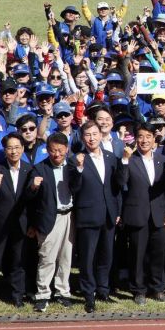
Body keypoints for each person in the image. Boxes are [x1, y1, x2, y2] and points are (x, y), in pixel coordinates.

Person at [68, 121, 129, 313]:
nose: (92, 138)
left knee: (106, 255)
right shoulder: (76, 159)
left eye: (95, 134)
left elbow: (118, 186)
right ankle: (88, 294)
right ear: (82, 137)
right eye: (88, 135)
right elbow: (74, 188)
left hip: (109, 214)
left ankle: (103, 290)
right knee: (87, 258)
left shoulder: (111, 157)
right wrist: (78, 168)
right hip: (88, 214)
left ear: (101, 135)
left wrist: (118, 211)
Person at [0, 133, 35, 309]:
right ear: (5, 150)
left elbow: (31, 198)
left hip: (21, 222)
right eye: (10, 148)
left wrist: (34, 188)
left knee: (19, 260)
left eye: (17, 147)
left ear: (23, 149)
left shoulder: (29, 169)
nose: (13, 151)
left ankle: (17, 296)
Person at [123, 124, 165, 305]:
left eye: (148, 136)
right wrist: (124, 161)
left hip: (158, 214)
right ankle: (138, 290)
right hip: (137, 213)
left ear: (154, 139)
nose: (144, 140)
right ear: (136, 139)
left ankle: (157, 288)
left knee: (158, 253)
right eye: (141, 136)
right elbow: (121, 182)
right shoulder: (130, 159)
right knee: (137, 254)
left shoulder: (162, 159)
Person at [28, 132, 75, 312]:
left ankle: (63, 292)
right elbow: (30, 198)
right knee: (47, 257)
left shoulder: (72, 166)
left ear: (66, 150)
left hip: (70, 215)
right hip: (50, 217)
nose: (56, 154)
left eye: (60, 150)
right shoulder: (40, 168)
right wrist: (34, 187)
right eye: (53, 150)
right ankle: (42, 294)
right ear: (47, 150)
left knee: (66, 256)